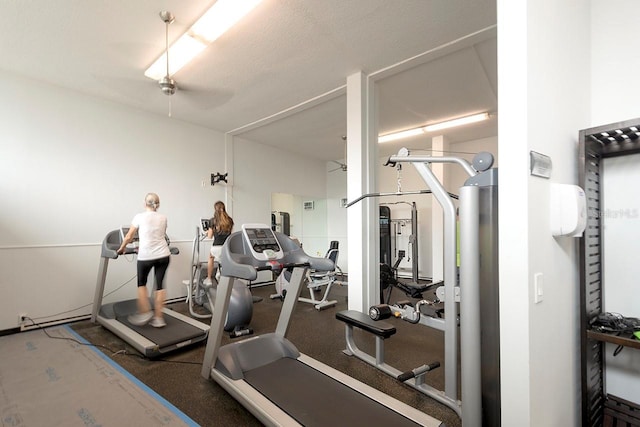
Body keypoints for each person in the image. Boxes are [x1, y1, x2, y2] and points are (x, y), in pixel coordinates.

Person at [117, 193, 171, 328]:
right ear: (158, 204)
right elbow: (160, 234)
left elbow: (129, 236)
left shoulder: (139, 217)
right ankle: (159, 318)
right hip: (163, 255)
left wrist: (122, 248)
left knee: (142, 284)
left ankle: (145, 312)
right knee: (160, 285)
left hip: (146, 256)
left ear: (144, 203)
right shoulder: (163, 218)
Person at [203, 201, 234, 285]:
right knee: (223, 260)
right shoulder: (230, 220)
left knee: (211, 257)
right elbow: (228, 233)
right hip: (227, 248)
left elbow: (210, 236)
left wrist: (208, 232)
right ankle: (220, 274)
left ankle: (209, 278)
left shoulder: (213, 221)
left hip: (216, 247)